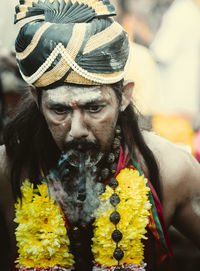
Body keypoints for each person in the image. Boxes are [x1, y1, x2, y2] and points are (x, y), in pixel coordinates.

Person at [0, 1, 200, 271]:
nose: (77, 129)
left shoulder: (171, 169)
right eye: (59, 110)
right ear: (37, 100)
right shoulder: (6, 170)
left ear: (124, 96)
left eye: (94, 108)